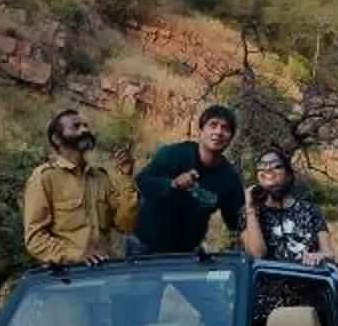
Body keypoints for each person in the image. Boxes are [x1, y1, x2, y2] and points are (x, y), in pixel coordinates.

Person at [22, 108, 136, 266]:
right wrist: (76, 256)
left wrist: (126, 177)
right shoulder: (45, 178)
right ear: (56, 138)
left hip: (105, 277)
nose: (85, 130)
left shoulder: (100, 178)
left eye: (85, 126)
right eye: (75, 127)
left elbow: (125, 225)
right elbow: (35, 239)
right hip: (68, 280)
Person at [133, 102, 248, 255]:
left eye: (225, 128)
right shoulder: (175, 155)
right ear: (201, 130)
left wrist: (254, 207)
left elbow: (237, 222)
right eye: (213, 125)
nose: (218, 132)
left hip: (186, 255)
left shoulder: (229, 178)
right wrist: (172, 184)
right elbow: (142, 181)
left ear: (230, 137)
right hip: (146, 248)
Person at [241, 148, 333, 265]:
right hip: (268, 281)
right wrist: (251, 210)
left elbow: (329, 254)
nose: (268, 170)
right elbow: (256, 255)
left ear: (288, 174)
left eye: (276, 166)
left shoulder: (310, 210)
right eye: (261, 167)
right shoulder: (248, 213)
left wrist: (320, 256)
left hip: (308, 279)